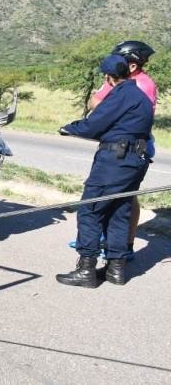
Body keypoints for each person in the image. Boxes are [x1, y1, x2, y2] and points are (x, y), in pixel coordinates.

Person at [56, 54, 153, 288]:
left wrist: (69, 128)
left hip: (114, 162)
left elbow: (95, 124)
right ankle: (116, 270)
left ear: (108, 77)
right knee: (119, 211)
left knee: (91, 210)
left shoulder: (120, 94)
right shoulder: (140, 96)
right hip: (135, 160)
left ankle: (86, 269)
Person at [84, 40, 157, 259]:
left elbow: (110, 110)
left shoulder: (144, 85)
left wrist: (108, 108)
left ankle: (126, 245)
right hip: (113, 144)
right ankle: (105, 246)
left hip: (133, 147)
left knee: (125, 199)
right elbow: (93, 102)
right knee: (112, 199)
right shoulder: (117, 79)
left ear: (132, 66)